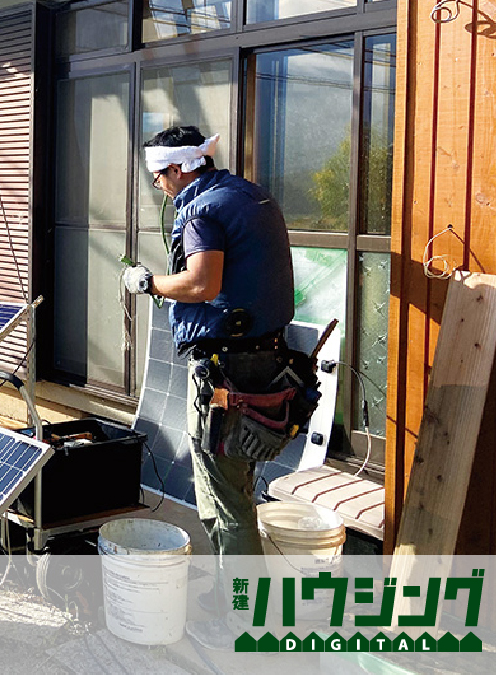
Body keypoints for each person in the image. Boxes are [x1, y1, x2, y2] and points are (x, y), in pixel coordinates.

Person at [122, 126, 296, 644]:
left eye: (159, 174)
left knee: (225, 501)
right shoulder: (247, 195)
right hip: (267, 361)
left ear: (179, 168)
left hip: (227, 371)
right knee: (235, 486)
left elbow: (201, 284)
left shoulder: (201, 211)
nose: (157, 184)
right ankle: (233, 598)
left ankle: (245, 620)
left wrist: (147, 283)